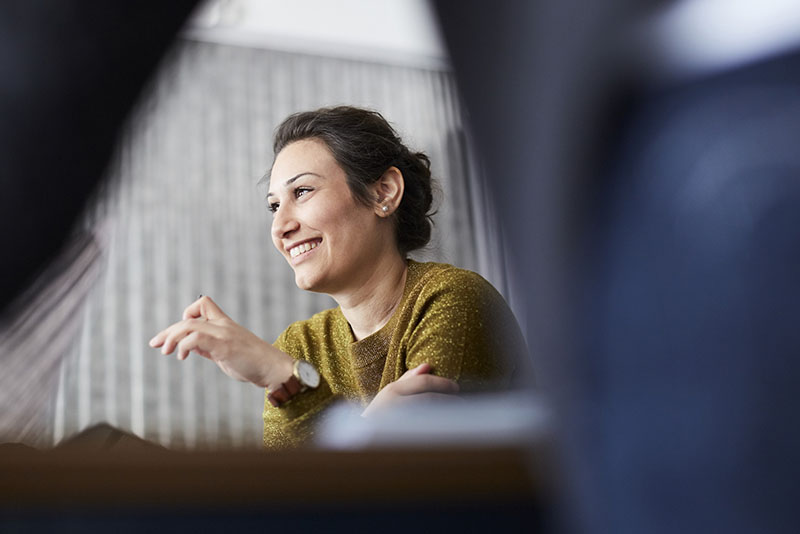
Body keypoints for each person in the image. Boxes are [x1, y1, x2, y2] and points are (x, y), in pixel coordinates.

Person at [149, 106, 527, 449]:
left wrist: (286, 379)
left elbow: (418, 491)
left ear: (385, 192)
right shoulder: (302, 347)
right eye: (274, 206)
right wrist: (371, 425)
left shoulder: (451, 299)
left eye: (303, 191)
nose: (280, 226)